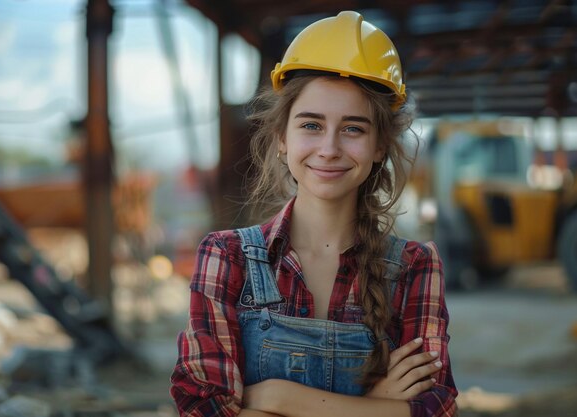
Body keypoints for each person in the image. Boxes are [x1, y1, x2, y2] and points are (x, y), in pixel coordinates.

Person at [170, 10, 457, 417]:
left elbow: (438, 409)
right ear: (281, 138)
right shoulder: (226, 257)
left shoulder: (415, 267)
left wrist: (274, 397)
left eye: (353, 128)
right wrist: (379, 407)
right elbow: (203, 408)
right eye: (311, 125)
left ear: (379, 146)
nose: (329, 148)